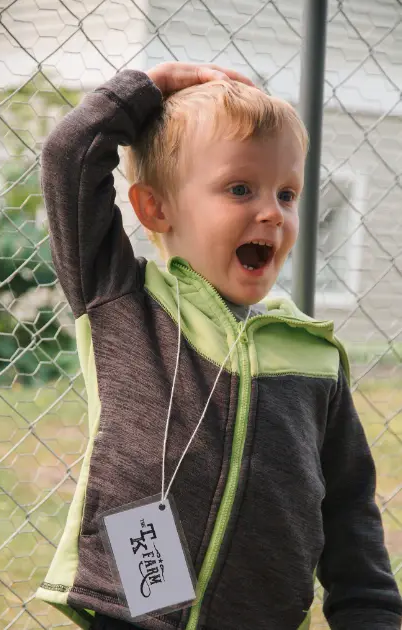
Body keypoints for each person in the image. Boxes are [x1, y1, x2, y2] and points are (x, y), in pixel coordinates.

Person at [36, 62, 402, 630]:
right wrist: (152, 86)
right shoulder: (124, 302)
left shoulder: (313, 355)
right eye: (239, 189)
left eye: (287, 193)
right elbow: (69, 157)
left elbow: (349, 509)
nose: (271, 212)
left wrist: (372, 613)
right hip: (134, 612)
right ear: (156, 208)